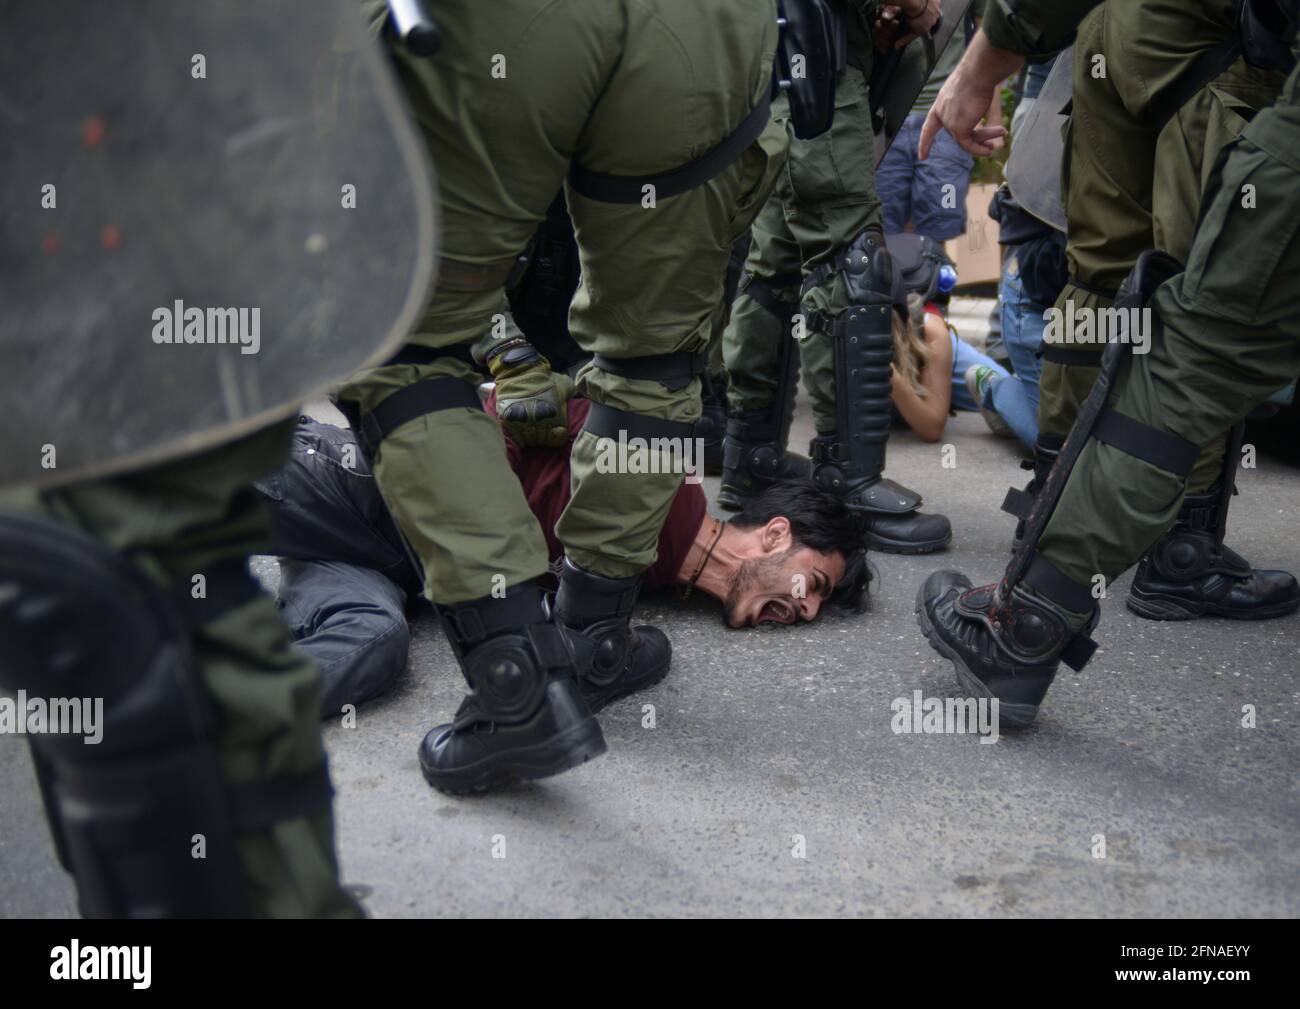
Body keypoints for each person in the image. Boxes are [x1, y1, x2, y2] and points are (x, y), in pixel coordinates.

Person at [337, 0, 789, 794]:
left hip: (519, 27)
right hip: (712, 31)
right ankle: (591, 641)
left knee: (401, 343)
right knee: (655, 360)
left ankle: (518, 684)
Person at [916, 0, 1300, 726]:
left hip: (1122, 31)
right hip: (1232, 53)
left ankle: (1049, 510)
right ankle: (1159, 560)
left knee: (1102, 280)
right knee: (1203, 320)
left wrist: (984, 59)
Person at [260, 402, 870, 719]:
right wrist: (486, 534)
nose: (806, 609)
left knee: (376, 643)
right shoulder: (659, 469)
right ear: (775, 534)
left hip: (375, 572)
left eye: (816, 603)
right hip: (358, 487)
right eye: (813, 583)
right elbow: (481, 411)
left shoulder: (642, 585)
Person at [720, 0, 954, 557]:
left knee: (773, 266)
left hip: (770, 54)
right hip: (817, 51)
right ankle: (847, 481)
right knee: (850, 256)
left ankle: (752, 458)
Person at [875, 1, 997, 243]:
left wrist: (991, 116)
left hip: (946, 121)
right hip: (887, 119)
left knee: (939, 229)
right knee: (879, 231)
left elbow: (989, 39)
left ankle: (929, 278)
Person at [885, 233, 1011, 442]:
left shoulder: (930, 330)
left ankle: (941, 386)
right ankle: (935, 388)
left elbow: (932, 429)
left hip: (918, 339)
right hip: (904, 338)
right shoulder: (841, 323)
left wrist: (894, 380)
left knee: (1001, 393)